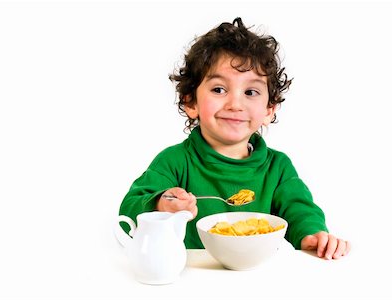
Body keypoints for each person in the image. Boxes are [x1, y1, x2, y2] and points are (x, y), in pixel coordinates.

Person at [119, 17, 351, 259]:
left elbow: (300, 210)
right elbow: (128, 215)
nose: (235, 104)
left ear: (269, 110)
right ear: (191, 102)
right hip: (190, 277)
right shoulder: (174, 161)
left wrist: (312, 234)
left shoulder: (278, 168)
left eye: (251, 92)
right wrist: (162, 204)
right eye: (219, 89)